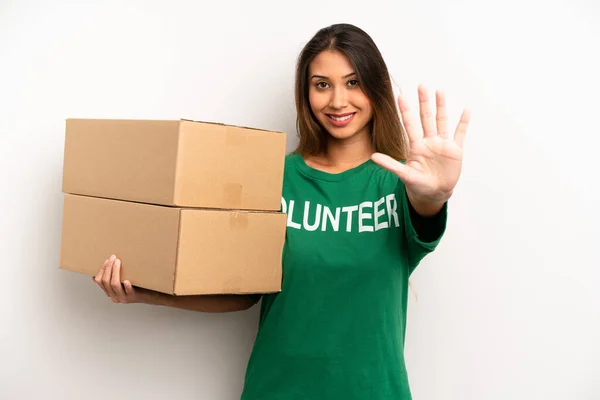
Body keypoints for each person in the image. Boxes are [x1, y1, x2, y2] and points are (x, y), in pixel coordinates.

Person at [93, 23, 470, 400]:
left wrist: (438, 194)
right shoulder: (272, 178)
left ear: (376, 87)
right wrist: (148, 291)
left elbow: (425, 211)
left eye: (353, 82)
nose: (338, 100)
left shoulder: (404, 183)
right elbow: (241, 291)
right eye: (322, 84)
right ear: (306, 93)